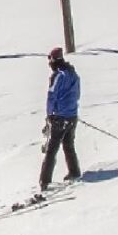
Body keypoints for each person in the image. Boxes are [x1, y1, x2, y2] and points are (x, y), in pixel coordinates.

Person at [40, 48, 82, 191]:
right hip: (72, 116)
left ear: (53, 60)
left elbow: (51, 96)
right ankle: (74, 172)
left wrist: (49, 113)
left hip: (59, 117)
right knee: (68, 145)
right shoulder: (73, 74)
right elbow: (77, 94)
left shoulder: (58, 76)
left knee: (51, 149)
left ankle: (45, 181)